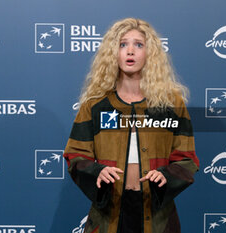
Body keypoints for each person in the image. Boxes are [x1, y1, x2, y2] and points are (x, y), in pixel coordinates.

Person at [63, 18, 199, 233]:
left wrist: (167, 175)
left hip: (157, 216)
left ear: (150, 53)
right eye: (123, 44)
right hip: (109, 214)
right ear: (112, 53)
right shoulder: (95, 105)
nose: (130, 51)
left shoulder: (171, 104)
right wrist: (97, 171)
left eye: (139, 44)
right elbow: (76, 155)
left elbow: (186, 157)